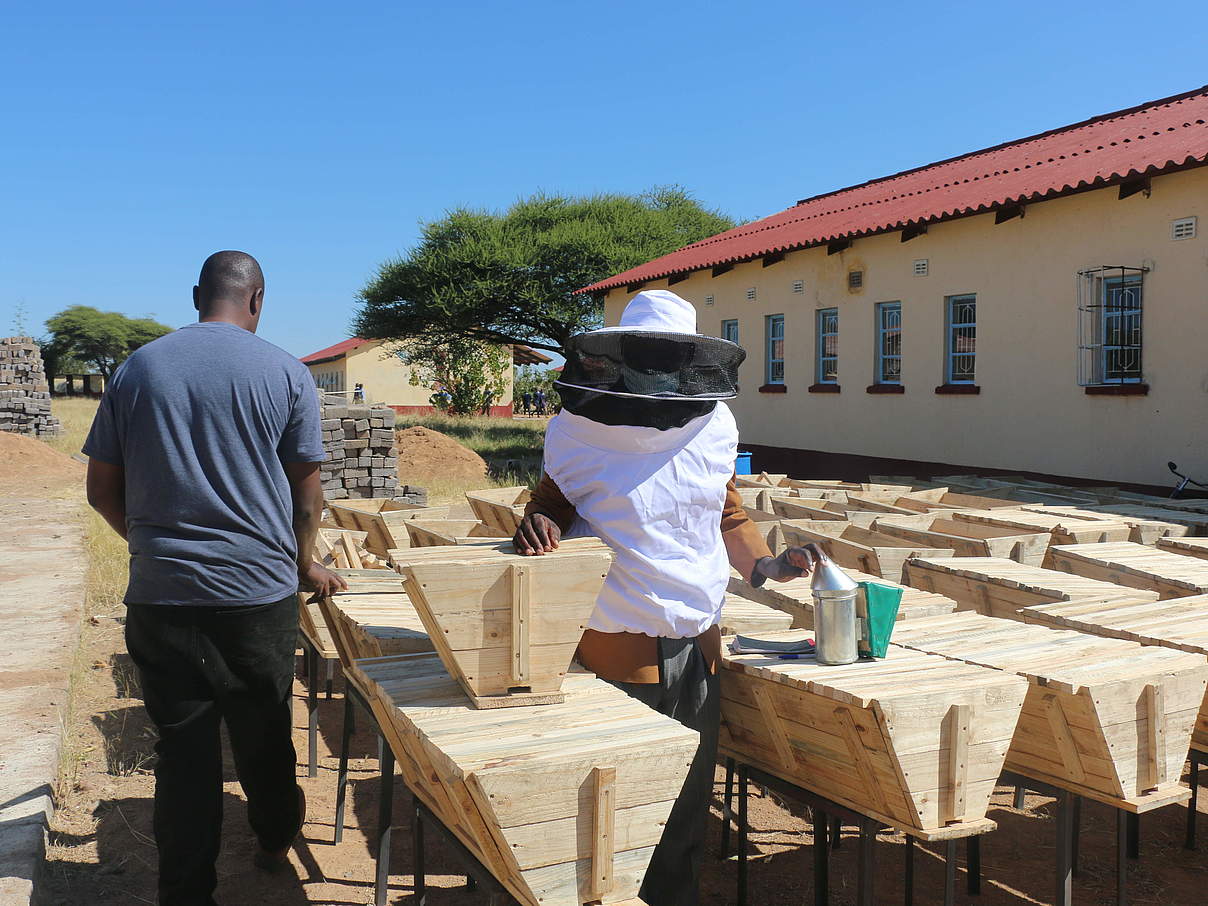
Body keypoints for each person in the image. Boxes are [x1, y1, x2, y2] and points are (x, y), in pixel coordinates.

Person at [512, 289, 820, 906]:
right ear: (618, 357)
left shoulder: (714, 425)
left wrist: (765, 565)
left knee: (684, 809)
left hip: (699, 646)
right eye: (645, 358)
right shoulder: (577, 429)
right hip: (613, 646)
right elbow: (548, 505)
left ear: (694, 363)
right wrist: (534, 526)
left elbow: (727, 516)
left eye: (669, 360)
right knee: (616, 809)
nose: (656, 375)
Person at [83, 251, 348, 906]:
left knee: (183, 756)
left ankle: (185, 894)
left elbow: (100, 491)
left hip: (160, 596)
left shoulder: (137, 369)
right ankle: (272, 838)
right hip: (255, 599)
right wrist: (300, 563)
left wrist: (153, 548)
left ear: (198, 295)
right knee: (262, 735)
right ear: (257, 300)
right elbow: (308, 501)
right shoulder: (285, 372)